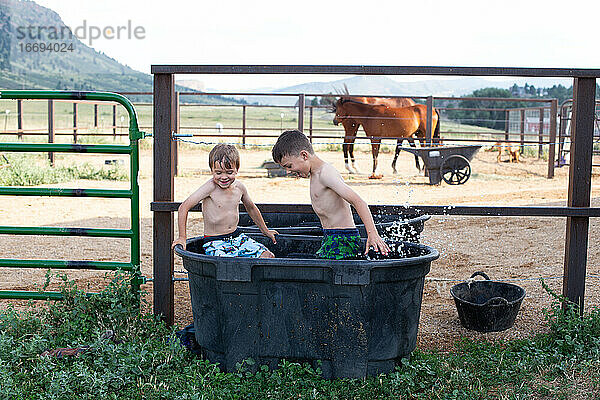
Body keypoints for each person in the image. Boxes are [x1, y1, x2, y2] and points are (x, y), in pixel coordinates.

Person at [272, 130, 389, 259]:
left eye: (289, 166)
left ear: (304, 155)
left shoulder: (325, 174)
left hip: (343, 239)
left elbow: (358, 202)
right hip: (330, 236)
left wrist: (372, 234)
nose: (288, 172)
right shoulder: (314, 174)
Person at [171, 144, 278, 258]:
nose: (224, 177)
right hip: (215, 241)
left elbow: (251, 208)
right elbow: (184, 207)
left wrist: (265, 230)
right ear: (212, 170)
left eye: (229, 172)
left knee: (268, 256)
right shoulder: (210, 188)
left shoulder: (239, 188)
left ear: (237, 170)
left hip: (237, 237)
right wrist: (182, 237)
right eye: (218, 173)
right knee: (228, 266)